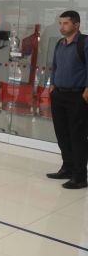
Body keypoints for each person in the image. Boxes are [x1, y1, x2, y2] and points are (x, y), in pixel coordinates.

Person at [47, 10, 88, 189]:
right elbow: (55, 66)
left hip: (77, 96)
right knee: (62, 134)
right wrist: (52, 84)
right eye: (60, 23)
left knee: (77, 136)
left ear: (76, 25)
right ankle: (68, 168)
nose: (61, 27)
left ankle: (80, 176)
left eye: (65, 23)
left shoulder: (84, 43)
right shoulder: (60, 44)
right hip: (59, 95)